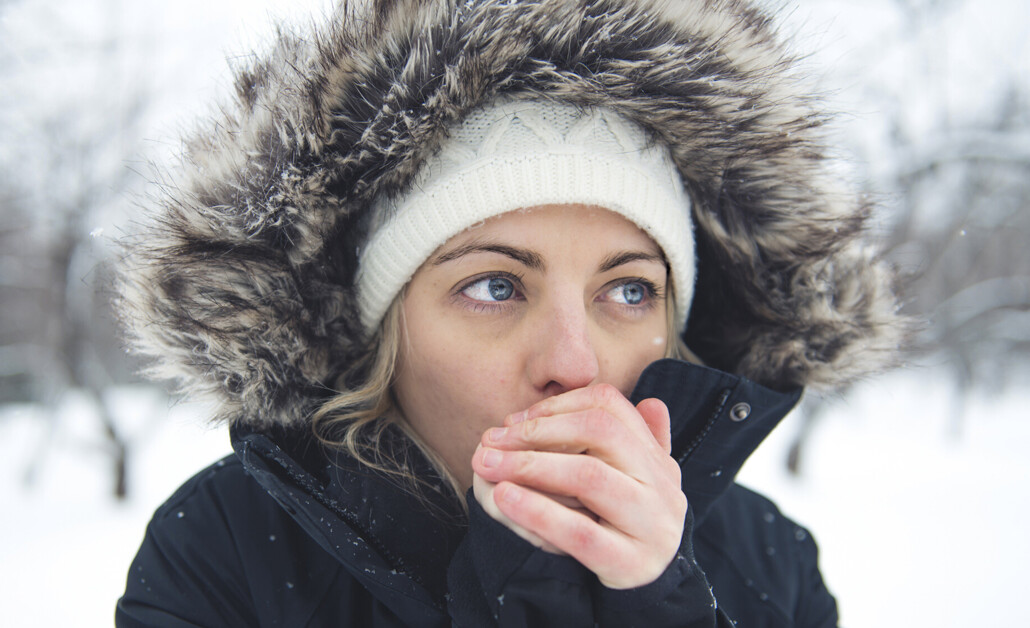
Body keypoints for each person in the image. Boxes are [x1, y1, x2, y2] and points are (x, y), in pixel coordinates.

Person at [115, 0, 908, 626]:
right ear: (388, 328)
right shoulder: (224, 550)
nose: (577, 362)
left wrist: (656, 607)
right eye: (496, 286)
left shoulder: (768, 561)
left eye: (629, 291)